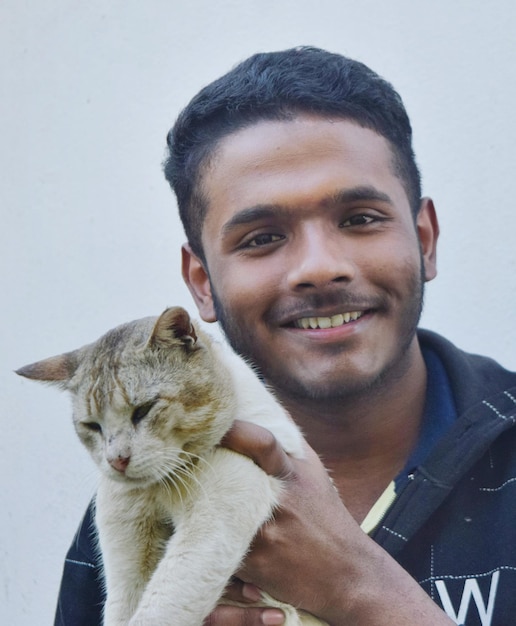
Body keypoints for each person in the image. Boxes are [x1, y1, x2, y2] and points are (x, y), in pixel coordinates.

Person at [55, 47, 516, 626]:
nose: (319, 267)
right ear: (201, 285)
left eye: (360, 218)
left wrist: (360, 591)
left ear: (424, 239)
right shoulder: (144, 495)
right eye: (261, 237)